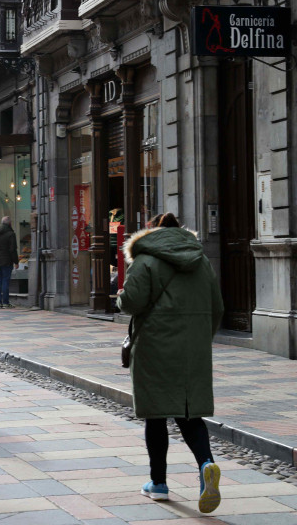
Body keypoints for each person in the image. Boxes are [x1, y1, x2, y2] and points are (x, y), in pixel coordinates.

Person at [117, 212, 224, 514]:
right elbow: (217, 306)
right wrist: (202, 337)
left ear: (153, 233)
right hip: (194, 347)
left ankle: (158, 483)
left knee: (156, 413)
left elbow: (134, 302)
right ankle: (206, 464)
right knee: (190, 412)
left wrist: (121, 297)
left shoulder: (146, 260)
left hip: (155, 344)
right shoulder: (201, 261)